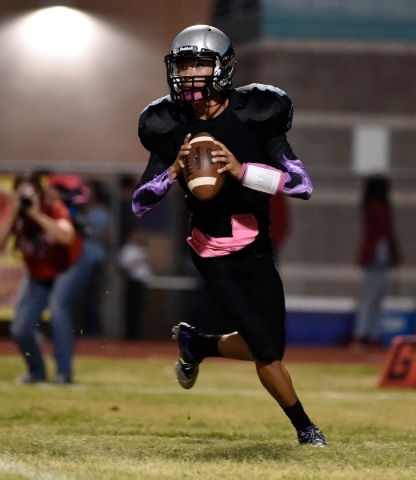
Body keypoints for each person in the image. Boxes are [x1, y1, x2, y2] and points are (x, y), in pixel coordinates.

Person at [132, 25, 327, 447]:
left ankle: (196, 345)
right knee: (266, 351)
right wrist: (172, 173)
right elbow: (140, 202)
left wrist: (241, 171)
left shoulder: (257, 112)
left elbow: (301, 184)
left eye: (200, 63)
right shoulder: (166, 124)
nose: (189, 74)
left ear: (224, 67)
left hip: (257, 246)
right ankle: (306, 429)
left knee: (270, 343)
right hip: (212, 251)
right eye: (183, 64)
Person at [0, 173, 84, 383]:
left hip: (69, 266)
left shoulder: (53, 207)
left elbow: (66, 237)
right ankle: (36, 372)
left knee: (57, 310)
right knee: (20, 327)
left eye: (30, 193)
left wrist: (36, 214)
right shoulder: (15, 216)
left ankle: (63, 374)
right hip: (39, 273)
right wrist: (13, 212)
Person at [352, 175, 399, 348]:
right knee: (371, 296)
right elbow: (380, 234)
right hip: (377, 254)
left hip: (380, 254)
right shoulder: (375, 207)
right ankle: (362, 333)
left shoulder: (374, 206)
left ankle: (372, 333)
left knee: (376, 296)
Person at [118, 228, 152, 340]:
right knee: (131, 310)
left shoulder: (140, 249)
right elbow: (124, 265)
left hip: (141, 283)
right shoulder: (128, 249)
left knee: (139, 310)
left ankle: (136, 335)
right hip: (132, 282)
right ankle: (130, 336)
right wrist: (139, 260)